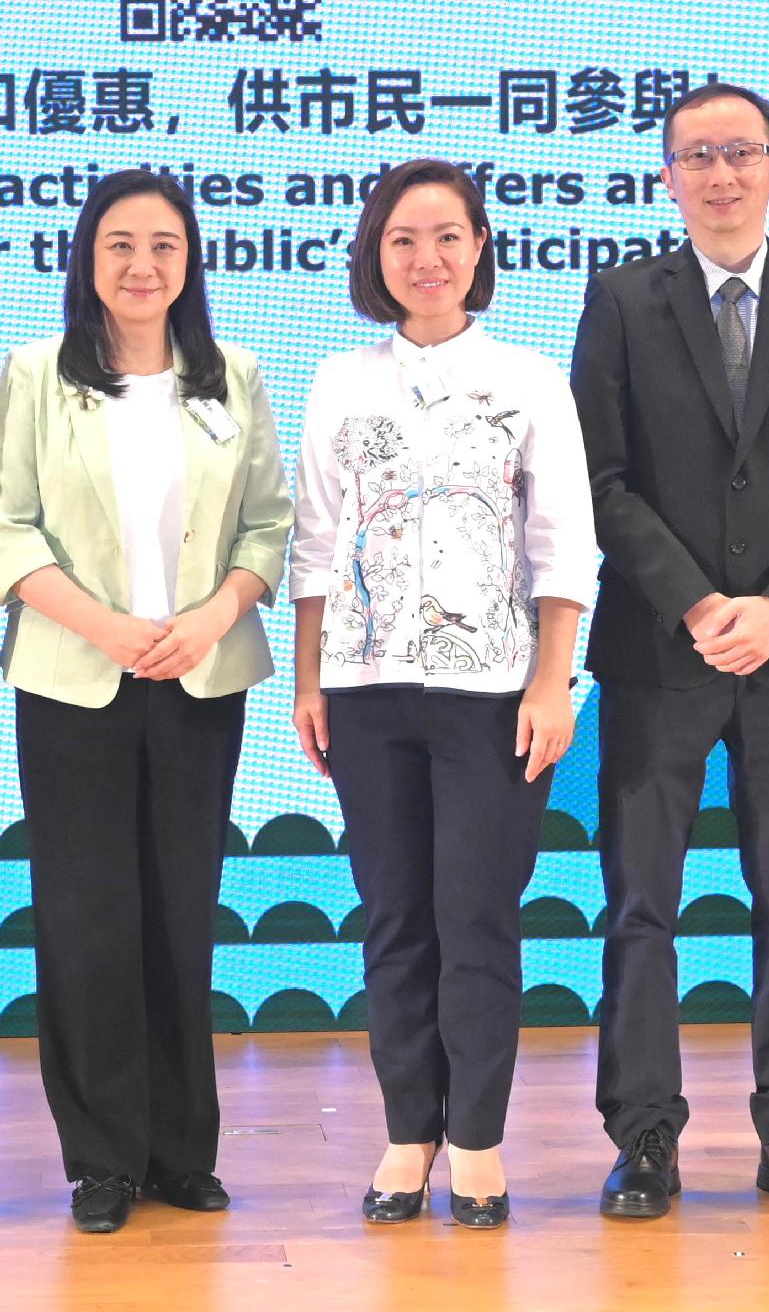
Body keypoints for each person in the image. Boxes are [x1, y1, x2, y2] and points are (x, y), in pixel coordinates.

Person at [574, 83, 769, 1224]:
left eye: (739, 153)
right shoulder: (618, 302)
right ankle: (644, 1135)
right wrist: (700, 601)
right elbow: (598, 482)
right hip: (662, 651)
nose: (719, 173)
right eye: (695, 155)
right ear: (666, 176)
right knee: (639, 904)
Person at [0, 169, 295, 1234]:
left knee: (178, 913)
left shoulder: (232, 376)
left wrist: (211, 617)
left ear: (190, 260)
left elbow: (267, 529)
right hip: (76, 678)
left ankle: (180, 1151)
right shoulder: (35, 373)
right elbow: (5, 527)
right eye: (119, 244)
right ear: (86, 257)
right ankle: (102, 1157)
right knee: (86, 919)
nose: (142, 264)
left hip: (199, 675)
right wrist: (105, 627)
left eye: (163, 244)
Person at [289, 156, 598, 1231]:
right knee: (393, 919)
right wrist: (307, 681)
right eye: (403, 239)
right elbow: (317, 543)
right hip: (367, 689)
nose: (427, 257)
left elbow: (563, 544)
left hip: (493, 692)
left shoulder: (527, 378)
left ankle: (477, 1138)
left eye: (447, 236)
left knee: (475, 914)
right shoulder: (340, 378)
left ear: (480, 249)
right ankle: (405, 1130)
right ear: (377, 255)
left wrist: (554, 683)